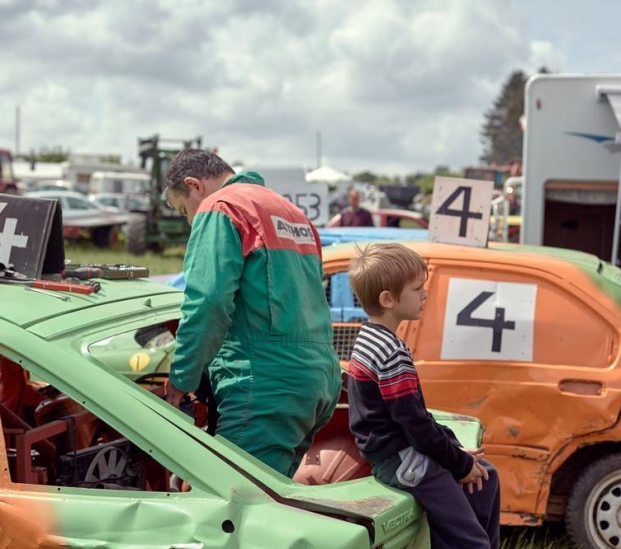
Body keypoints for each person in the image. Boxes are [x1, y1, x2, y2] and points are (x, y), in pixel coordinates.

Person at [163, 148, 342, 478]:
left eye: (182, 209)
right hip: (318, 382)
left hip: (265, 387)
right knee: (273, 507)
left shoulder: (221, 207)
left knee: (240, 512)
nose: (189, 219)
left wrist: (182, 379)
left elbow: (207, 301)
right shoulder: (291, 213)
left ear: (194, 186)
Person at [347, 243, 500, 548]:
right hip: (401, 460)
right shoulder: (391, 352)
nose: (424, 295)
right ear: (388, 299)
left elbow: (417, 417)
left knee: (487, 477)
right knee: (470, 541)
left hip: (404, 451)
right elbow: (415, 426)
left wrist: (455, 451)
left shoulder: (369, 337)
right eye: (417, 289)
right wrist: (458, 463)